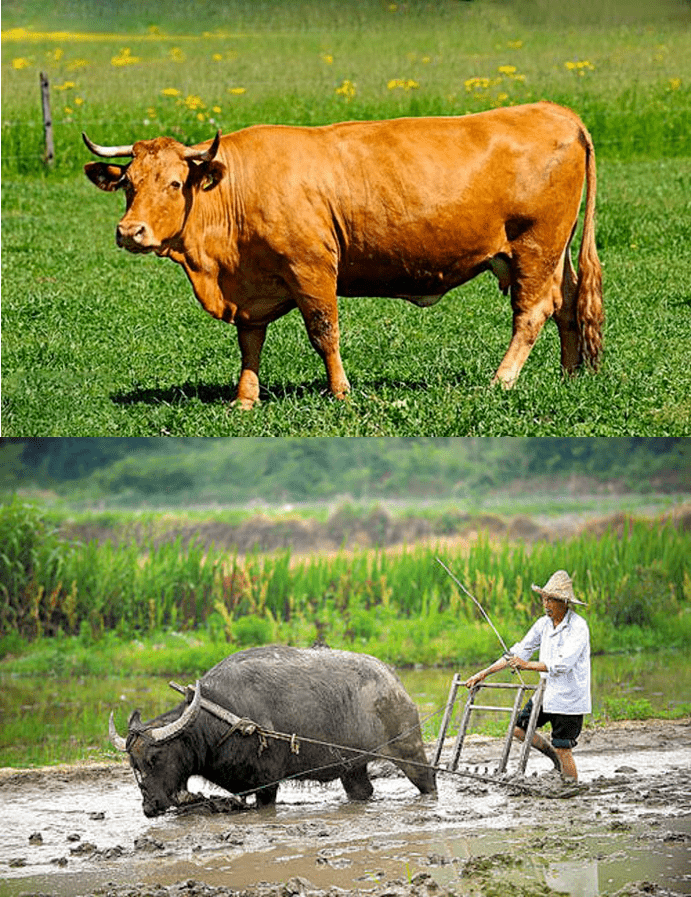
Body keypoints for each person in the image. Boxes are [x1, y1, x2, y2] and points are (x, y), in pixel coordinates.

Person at [463, 570, 591, 781]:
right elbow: (519, 651)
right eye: (544, 598)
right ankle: (554, 761)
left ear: (565, 602)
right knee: (518, 730)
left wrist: (526, 665)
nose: (546, 604)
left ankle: (572, 788)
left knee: (563, 748)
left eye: (551, 600)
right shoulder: (543, 625)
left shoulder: (578, 627)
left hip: (569, 697)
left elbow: (563, 664)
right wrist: (484, 673)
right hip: (546, 694)